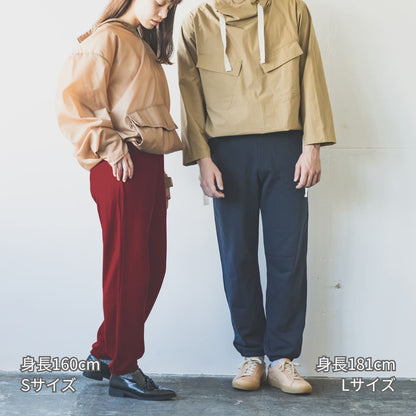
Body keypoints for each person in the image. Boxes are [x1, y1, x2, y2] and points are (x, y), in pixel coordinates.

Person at [178, 0, 336, 394]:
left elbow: (312, 73)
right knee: (237, 256)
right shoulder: (196, 19)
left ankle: (282, 359)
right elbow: (188, 91)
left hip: (286, 145)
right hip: (226, 152)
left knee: (287, 255)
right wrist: (202, 158)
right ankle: (251, 354)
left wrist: (312, 145)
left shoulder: (292, 9)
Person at [56, 0, 182, 400]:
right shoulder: (106, 38)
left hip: (144, 166)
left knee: (151, 267)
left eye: (171, 6)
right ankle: (124, 369)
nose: (163, 12)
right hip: (121, 165)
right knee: (129, 269)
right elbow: (73, 103)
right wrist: (110, 147)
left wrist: (158, 175)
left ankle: (104, 354)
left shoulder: (139, 41)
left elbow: (142, 113)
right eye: (160, 2)